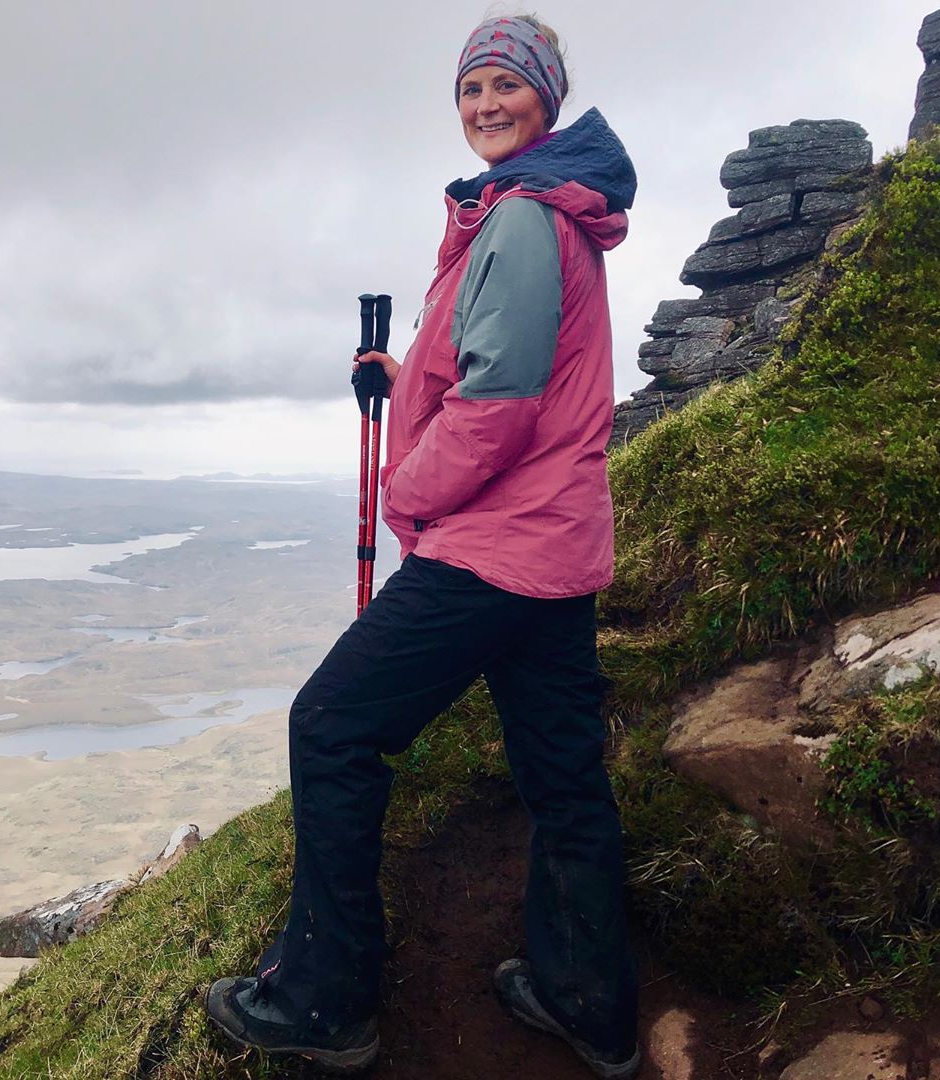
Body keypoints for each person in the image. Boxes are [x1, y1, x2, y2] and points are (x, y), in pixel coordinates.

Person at [207, 13, 640, 1077]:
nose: (486, 105)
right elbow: (493, 368)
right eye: (470, 90)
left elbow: (500, 408)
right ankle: (589, 999)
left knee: (334, 726)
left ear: (546, 97)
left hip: (491, 548)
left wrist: (405, 485)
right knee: (563, 777)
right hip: (554, 546)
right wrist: (404, 388)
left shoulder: (527, 217)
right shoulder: (536, 212)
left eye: (506, 85)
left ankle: (326, 998)